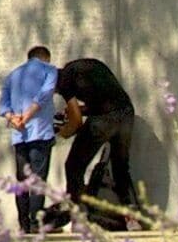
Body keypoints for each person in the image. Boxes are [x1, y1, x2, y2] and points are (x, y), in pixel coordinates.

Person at [53, 54, 143, 232]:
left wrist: (62, 133)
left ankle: (78, 217)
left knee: (74, 166)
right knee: (120, 167)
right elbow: (103, 100)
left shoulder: (63, 81)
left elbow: (76, 122)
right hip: (126, 113)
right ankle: (132, 218)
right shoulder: (82, 67)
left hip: (103, 120)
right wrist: (81, 110)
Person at [0, 44, 62, 233]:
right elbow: (44, 95)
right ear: (46, 57)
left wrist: (13, 118)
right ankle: (35, 222)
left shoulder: (13, 75)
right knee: (38, 179)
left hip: (19, 134)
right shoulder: (49, 70)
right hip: (40, 131)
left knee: (22, 180)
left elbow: (2, 105)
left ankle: (23, 225)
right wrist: (27, 116)